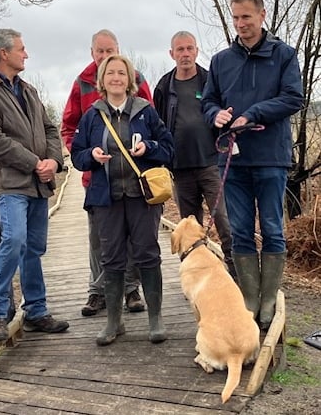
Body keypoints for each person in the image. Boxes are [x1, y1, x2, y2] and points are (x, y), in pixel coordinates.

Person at [201, 0, 303, 330]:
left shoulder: (284, 55)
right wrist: (215, 114)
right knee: (241, 232)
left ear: (261, 16)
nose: (241, 23)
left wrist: (253, 113)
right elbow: (208, 100)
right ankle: (250, 300)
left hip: (271, 157)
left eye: (246, 16)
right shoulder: (220, 61)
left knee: (272, 229)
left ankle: (269, 301)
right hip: (233, 159)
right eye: (235, 17)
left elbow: (293, 98)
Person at [0, 28, 69, 342]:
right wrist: (33, 163)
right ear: (3, 53)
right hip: (10, 183)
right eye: (21, 49)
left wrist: (53, 161)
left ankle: (36, 311)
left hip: (39, 184)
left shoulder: (28, 90)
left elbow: (51, 130)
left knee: (33, 249)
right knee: (13, 239)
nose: (26, 54)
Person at [71, 54, 174, 345]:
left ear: (130, 80)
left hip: (143, 198)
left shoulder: (146, 112)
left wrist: (149, 147)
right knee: (111, 258)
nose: (116, 78)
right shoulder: (92, 115)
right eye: (110, 73)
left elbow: (168, 148)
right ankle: (114, 322)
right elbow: (77, 155)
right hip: (106, 199)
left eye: (122, 73)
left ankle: (156, 319)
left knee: (147, 254)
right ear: (101, 81)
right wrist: (90, 156)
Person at [61, 29, 153, 316]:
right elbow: (68, 127)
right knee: (100, 238)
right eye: (99, 51)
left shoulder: (135, 79)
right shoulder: (82, 83)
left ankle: (131, 289)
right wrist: (87, 155)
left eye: (109, 50)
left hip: (135, 177)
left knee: (135, 236)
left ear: (118, 50)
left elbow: (153, 120)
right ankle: (97, 292)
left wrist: (148, 150)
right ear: (92, 53)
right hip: (98, 179)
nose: (104, 57)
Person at [153, 31, 235, 278]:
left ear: (197, 51)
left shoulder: (210, 81)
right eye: (180, 49)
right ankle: (196, 275)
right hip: (180, 168)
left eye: (190, 48)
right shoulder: (164, 87)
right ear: (172, 54)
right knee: (189, 227)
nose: (185, 54)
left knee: (224, 221)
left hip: (212, 164)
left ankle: (235, 273)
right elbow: (158, 126)